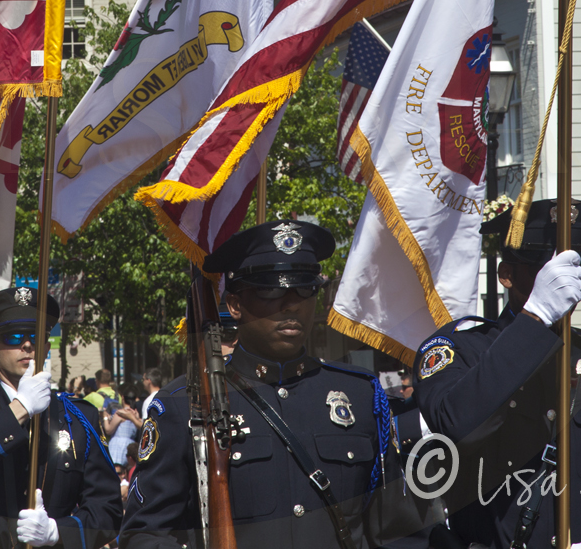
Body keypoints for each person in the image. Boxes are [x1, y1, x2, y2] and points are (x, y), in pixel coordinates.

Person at [121, 219, 403, 549]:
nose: (292, 303)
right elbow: (142, 536)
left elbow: (399, 530)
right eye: (271, 289)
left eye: (305, 287)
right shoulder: (184, 404)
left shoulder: (360, 395)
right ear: (235, 305)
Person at [412, 199, 581, 549]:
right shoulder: (459, 350)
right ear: (506, 275)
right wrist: (534, 319)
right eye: (545, 264)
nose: (567, 274)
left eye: (577, 260)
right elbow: (458, 426)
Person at [0, 286, 122, 548]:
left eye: (35, 336)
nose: (27, 344)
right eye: (13, 337)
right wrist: (20, 408)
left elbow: (108, 510)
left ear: (45, 345)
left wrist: (57, 532)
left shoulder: (79, 416)